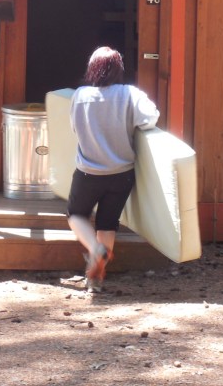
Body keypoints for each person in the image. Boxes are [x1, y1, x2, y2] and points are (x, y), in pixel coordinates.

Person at [67, 46, 159, 292]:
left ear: (92, 68)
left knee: (76, 215)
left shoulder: (80, 95)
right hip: (121, 174)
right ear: (119, 69)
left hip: (88, 172)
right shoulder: (130, 93)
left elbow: (74, 128)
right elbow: (150, 118)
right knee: (108, 223)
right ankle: (96, 278)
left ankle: (96, 251)